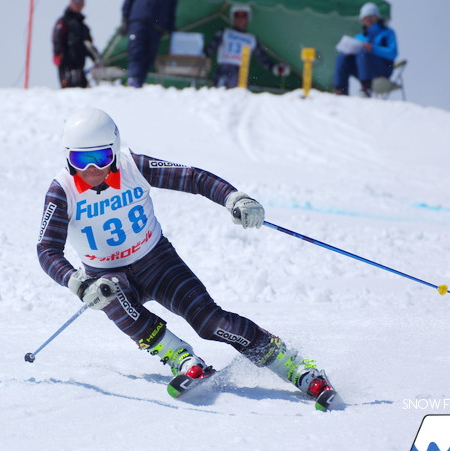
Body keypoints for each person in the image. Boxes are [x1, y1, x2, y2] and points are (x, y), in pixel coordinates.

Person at [37, 107, 336, 406]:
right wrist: (76, 282)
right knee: (108, 294)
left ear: (114, 151)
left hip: (157, 262)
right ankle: (179, 357)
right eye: (80, 159)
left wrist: (234, 197)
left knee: (210, 322)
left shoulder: (133, 167)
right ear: (67, 157)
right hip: (107, 277)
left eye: (100, 158)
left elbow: (192, 178)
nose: (91, 169)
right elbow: (47, 250)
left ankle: (296, 368)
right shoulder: (62, 191)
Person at [204, 4, 290, 89]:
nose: (240, 19)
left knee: (239, 99)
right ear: (232, 18)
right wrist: (201, 55)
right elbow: (209, 49)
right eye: (237, 15)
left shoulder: (252, 39)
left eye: (244, 16)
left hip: (241, 74)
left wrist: (277, 68)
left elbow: (263, 59)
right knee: (220, 97)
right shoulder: (224, 33)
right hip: (223, 71)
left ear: (248, 18)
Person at [333, 2, 398, 97]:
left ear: (377, 17)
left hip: (383, 68)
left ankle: (366, 88)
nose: (369, 20)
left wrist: (373, 48)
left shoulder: (387, 33)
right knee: (342, 58)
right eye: (366, 18)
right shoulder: (359, 37)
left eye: (371, 17)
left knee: (364, 52)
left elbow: (393, 53)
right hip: (363, 69)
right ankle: (341, 90)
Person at [120, 0, 178, 88]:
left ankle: (139, 81)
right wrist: (125, 18)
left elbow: (171, 10)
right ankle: (133, 79)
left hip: (157, 26)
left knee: (149, 56)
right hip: (138, 21)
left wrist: (171, 28)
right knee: (136, 52)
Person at [52, 0, 99, 89]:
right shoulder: (63, 22)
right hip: (66, 64)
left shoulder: (84, 27)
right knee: (68, 88)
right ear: (71, 3)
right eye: (76, 2)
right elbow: (57, 39)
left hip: (79, 65)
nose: (79, 5)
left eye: (81, 3)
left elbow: (88, 45)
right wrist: (57, 54)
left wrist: (96, 58)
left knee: (82, 88)